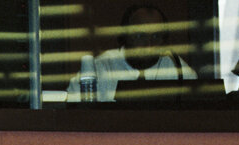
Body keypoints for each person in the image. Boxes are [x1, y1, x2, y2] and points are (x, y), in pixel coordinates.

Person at [67, 4, 197, 102]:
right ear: (125, 36)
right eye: (140, 36)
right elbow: (73, 111)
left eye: (156, 36)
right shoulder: (99, 68)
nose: (149, 46)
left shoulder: (178, 70)